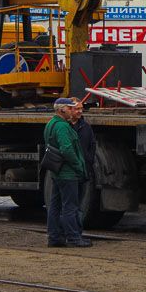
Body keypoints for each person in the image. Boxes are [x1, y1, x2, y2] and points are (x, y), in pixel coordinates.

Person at [44, 98, 92, 248]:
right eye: (70, 108)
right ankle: (73, 237)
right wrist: (78, 165)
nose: (73, 111)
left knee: (55, 205)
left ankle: (54, 237)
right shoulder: (62, 127)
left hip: (57, 172)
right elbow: (66, 149)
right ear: (61, 109)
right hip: (68, 173)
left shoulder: (51, 124)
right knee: (70, 206)